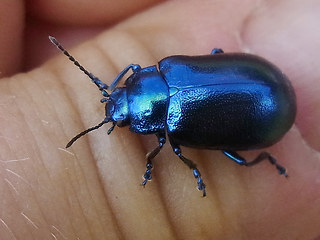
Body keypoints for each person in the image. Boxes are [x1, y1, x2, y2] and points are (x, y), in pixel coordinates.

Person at [1, 0, 319, 239]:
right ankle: (267, 158)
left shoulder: (176, 125)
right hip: (260, 82)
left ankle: (268, 160)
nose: (113, 104)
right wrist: (114, 88)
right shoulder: (167, 68)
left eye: (118, 97)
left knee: (226, 159)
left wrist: (160, 165)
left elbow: (165, 144)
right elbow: (132, 69)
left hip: (268, 107)